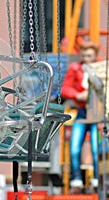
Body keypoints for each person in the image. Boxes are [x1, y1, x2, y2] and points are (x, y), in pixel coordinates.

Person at [61, 41, 99, 192]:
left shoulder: (101, 69)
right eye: (84, 55)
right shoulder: (76, 68)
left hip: (97, 113)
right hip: (82, 112)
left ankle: (97, 180)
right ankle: (76, 180)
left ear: (95, 56)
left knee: (97, 149)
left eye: (89, 55)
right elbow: (65, 89)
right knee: (74, 147)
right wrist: (78, 95)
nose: (87, 59)